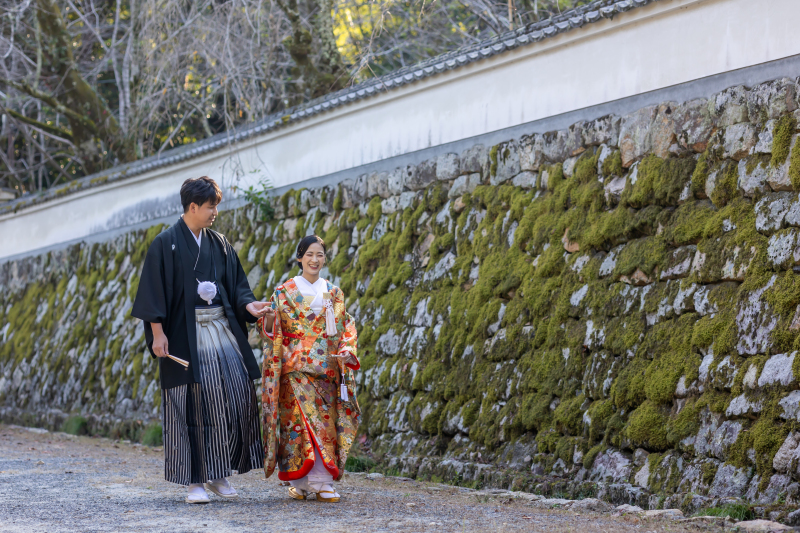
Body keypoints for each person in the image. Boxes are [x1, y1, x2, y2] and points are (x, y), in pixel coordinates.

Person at [131, 176, 270, 504]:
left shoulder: (219, 244)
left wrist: (248, 305)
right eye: (211, 206)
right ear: (192, 207)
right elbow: (152, 293)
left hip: (220, 332)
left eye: (216, 206)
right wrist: (157, 334)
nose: (215, 212)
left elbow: (237, 286)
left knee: (233, 398)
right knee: (191, 404)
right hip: (184, 338)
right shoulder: (165, 244)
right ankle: (194, 480)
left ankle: (218, 472)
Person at [258, 235, 360, 503]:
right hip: (295, 370)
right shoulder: (284, 292)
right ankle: (304, 482)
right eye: (310, 255)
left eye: (320, 255)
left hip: (326, 369)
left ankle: (320, 481)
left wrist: (347, 349)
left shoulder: (333, 292)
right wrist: (269, 321)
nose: (315, 260)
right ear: (300, 257)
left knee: (323, 426)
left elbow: (346, 326)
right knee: (300, 426)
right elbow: (271, 330)